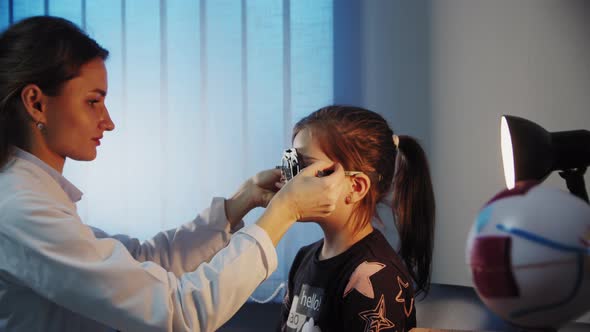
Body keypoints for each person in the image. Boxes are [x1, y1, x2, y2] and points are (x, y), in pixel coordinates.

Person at [0, 16, 346, 332]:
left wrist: (238, 204)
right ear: (36, 102)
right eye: (93, 101)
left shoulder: (34, 196)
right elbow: (178, 312)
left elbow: (140, 261)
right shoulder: (21, 207)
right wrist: (282, 213)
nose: (108, 121)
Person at [278, 106, 435, 332]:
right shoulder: (304, 258)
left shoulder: (377, 278)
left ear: (357, 187)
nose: (291, 181)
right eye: (291, 162)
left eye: (306, 167)